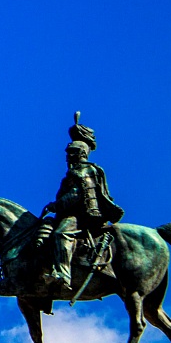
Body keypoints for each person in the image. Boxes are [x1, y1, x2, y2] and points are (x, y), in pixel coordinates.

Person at [40, 114, 123, 289]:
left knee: (60, 234)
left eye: (72, 153)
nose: (68, 156)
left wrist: (56, 205)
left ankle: (63, 274)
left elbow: (77, 195)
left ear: (82, 153)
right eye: (68, 153)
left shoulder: (82, 170)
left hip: (82, 215)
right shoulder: (80, 170)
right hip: (74, 213)